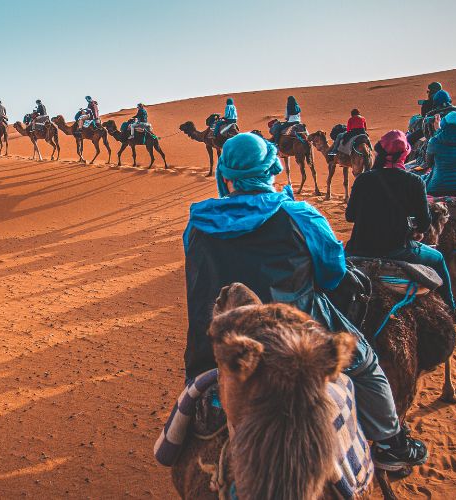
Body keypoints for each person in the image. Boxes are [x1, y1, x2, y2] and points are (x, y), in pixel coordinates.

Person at [183, 132, 429, 471]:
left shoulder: (197, 224)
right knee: (367, 364)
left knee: (199, 387)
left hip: (216, 340)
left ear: (224, 175)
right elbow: (332, 276)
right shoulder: (301, 216)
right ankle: (390, 445)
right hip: (298, 336)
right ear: (273, 168)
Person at [346, 130, 456, 324]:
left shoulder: (363, 179)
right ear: (405, 155)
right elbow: (425, 224)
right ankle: (452, 310)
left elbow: (350, 216)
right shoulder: (414, 182)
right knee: (438, 259)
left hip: (358, 248)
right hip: (398, 250)